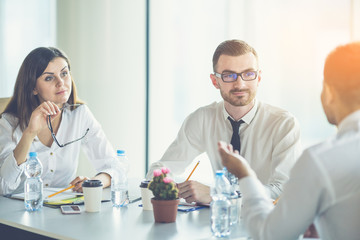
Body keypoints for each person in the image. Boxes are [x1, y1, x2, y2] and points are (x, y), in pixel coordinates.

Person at [218, 42, 360, 240]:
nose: (239, 83)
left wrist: (245, 175)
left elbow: (269, 235)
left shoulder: (320, 161)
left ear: (329, 93)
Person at [146, 40, 302, 204]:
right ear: (215, 81)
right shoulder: (203, 119)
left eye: (248, 74)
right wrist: (170, 188)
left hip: (266, 224)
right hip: (220, 223)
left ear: (259, 78)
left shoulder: (283, 124)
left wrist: (218, 194)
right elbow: (159, 170)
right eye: (229, 76)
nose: (240, 84)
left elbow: (283, 191)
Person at [0, 47, 117, 195]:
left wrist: (94, 183)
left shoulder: (79, 114)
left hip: (61, 211)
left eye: (64, 73)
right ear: (33, 88)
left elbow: (116, 166)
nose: (61, 83)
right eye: (49, 78)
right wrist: (30, 133)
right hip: (16, 213)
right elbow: (3, 187)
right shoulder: (8, 123)